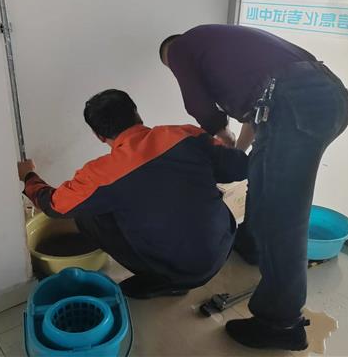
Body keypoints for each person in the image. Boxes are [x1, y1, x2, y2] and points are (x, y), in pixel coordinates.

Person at [160, 25, 348, 350]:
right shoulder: (224, 46)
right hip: (328, 97)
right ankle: (252, 245)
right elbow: (256, 116)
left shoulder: (179, 47)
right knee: (264, 184)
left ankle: (281, 323)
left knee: (282, 216)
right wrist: (237, 155)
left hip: (294, 104)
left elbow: (198, 106)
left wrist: (221, 132)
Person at [18, 89, 248, 299]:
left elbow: (54, 206)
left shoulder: (101, 174)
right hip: (223, 243)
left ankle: (166, 282)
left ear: (98, 135)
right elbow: (239, 168)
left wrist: (28, 176)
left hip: (181, 270)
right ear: (136, 114)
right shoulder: (185, 135)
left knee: (86, 215)